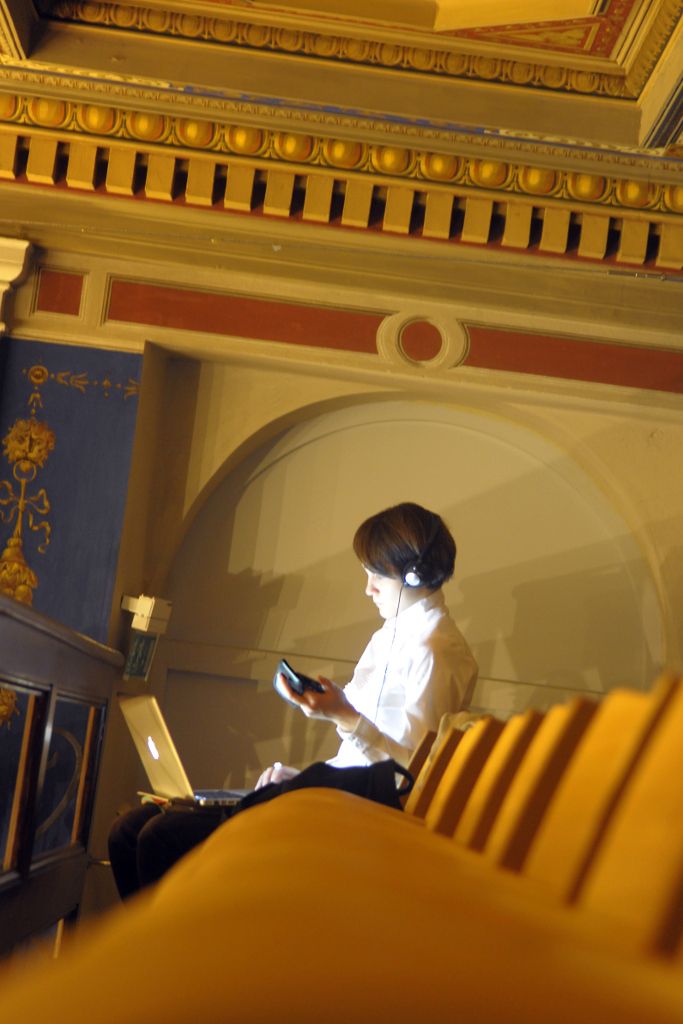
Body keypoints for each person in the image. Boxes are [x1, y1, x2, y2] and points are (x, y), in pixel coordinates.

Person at [108, 502, 477, 899]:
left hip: (357, 820)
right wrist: (301, 774)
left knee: (160, 835)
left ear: (412, 575)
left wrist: (344, 719)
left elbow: (409, 778)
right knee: (129, 831)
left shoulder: (436, 651)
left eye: (376, 576)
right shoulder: (390, 635)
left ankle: (175, 940)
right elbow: (359, 753)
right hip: (332, 796)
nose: (368, 589)